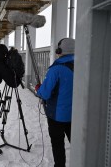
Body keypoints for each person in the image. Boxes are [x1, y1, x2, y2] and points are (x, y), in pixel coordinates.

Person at [35, 38, 75, 167]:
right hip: (76, 114)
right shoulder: (84, 66)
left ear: (59, 51)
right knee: (77, 144)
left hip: (57, 116)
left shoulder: (56, 69)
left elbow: (44, 93)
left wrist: (38, 89)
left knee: (58, 144)